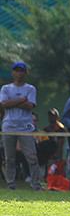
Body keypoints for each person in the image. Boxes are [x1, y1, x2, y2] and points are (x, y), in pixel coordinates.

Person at [1, 61, 43, 191]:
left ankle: (36, 184)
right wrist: (21, 100)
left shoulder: (30, 89)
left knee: (32, 157)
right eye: (16, 70)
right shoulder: (5, 88)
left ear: (25, 73)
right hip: (9, 127)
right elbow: (3, 104)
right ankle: (11, 184)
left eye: (21, 71)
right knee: (9, 158)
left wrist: (11, 102)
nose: (19, 73)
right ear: (12, 72)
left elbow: (30, 105)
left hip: (25, 127)